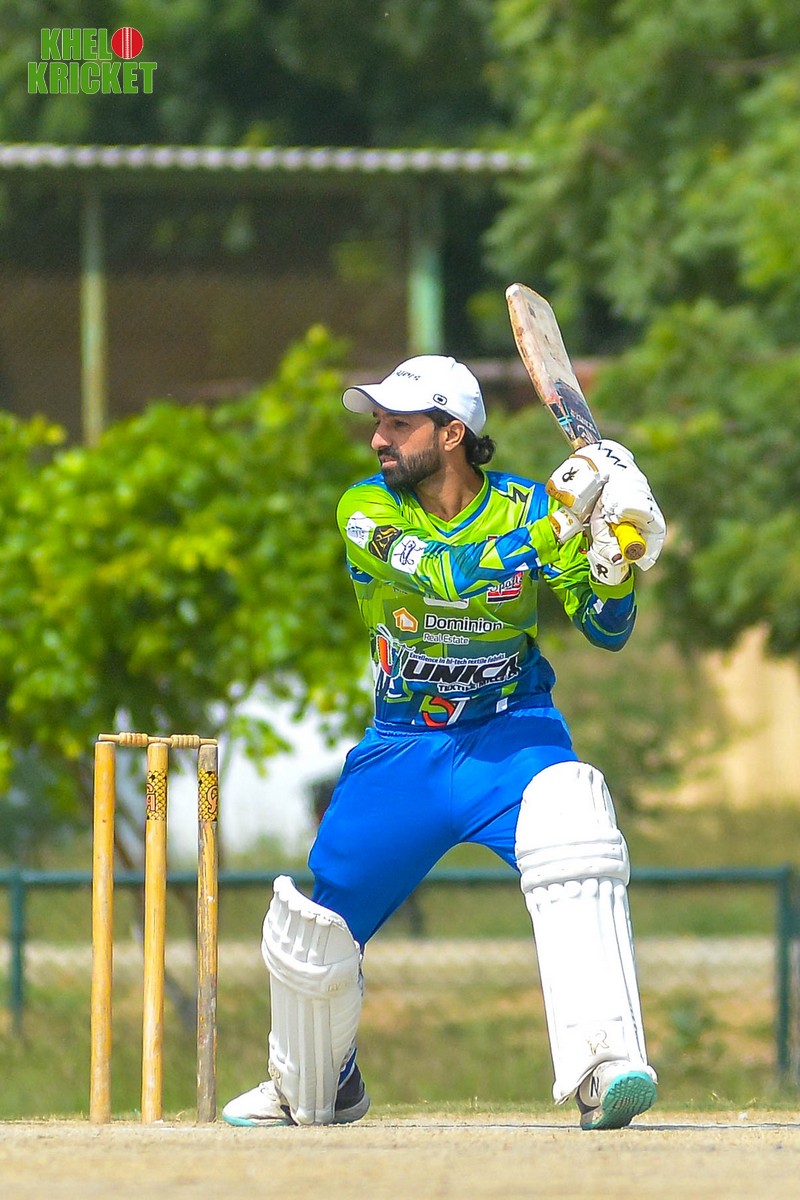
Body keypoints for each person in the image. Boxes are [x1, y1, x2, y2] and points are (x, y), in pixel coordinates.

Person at [223, 354, 666, 1131]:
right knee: (314, 934)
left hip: (512, 733)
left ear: (452, 433)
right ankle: (315, 1083)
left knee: (574, 823)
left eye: (398, 425)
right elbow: (446, 575)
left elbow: (607, 630)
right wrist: (559, 524)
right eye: (377, 424)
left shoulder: (529, 504)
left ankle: (606, 1065)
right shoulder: (368, 509)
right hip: (406, 748)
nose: (378, 440)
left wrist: (614, 557)